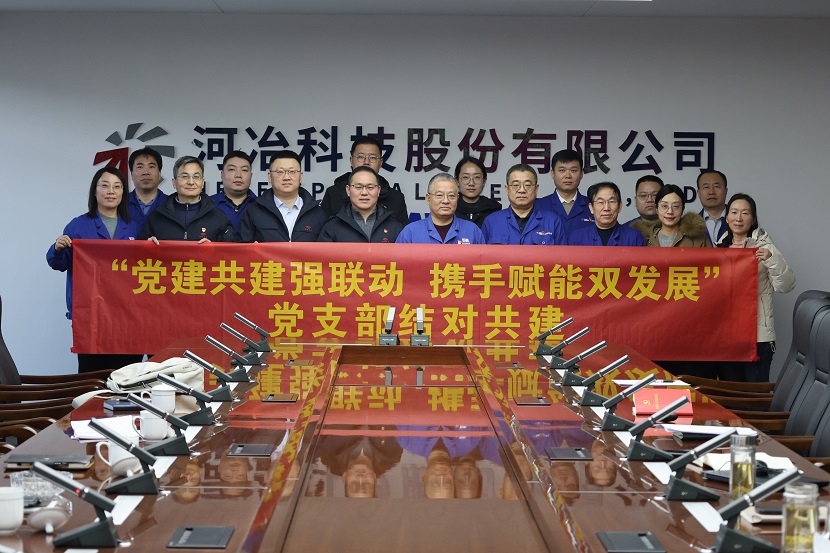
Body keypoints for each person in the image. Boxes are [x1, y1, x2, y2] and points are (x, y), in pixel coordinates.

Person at [46, 166, 143, 373]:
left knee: (127, 376)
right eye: (105, 186)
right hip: (91, 316)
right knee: (92, 377)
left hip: (127, 315)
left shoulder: (135, 227)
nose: (111, 191)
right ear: (95, 191)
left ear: (123, 193)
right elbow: (58, 263)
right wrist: (57, 248)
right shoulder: (78, 225)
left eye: (117, 186)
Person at [717, 193, 795, 382]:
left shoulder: (765, 247)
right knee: (729, 392)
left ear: (752, 219)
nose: (738, 218)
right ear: (726, 218)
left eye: (745, 213)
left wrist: (770, 259)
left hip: (757, 336)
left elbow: (786, 285)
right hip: (727, 335)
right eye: (734, 212)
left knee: (755, 393)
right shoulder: (719, 249)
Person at [235, 150, 327, 242]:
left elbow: (326, 249)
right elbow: (241, 248)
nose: (286, 177)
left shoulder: (318, 214)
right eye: (280, 172)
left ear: (300, 176)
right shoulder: (254, 211)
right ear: (270, 177)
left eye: (292, 172)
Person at [139, 156, 233, 243]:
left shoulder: (218, 217)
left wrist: (214, 249)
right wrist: (147, 246)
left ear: (202, 183)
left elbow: (230, 252)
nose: (191, 182)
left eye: (196, 177)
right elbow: (139, 251)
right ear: (174, 183)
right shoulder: (157, 217)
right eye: (184, 176)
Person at [321, 137, 409, 227]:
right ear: (351, 160)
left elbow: (402, 233)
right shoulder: (333, 193)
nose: (366, 162)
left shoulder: (396, 198)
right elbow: (323, 229)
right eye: (361, 157)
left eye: (373, 158)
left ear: (381, 162)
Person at [481, 163, 565, 245]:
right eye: (516, 185)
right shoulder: (492, 221)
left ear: (536, 189)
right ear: (507, 189)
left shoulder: (552, 221)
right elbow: (482, 253)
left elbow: (562, 254)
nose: (522, 190)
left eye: (527, 185)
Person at [318, 167, 404, 243]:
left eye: (370, 187)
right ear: (348, 190)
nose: (364, 192)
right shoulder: (332, 227)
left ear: (378, 190)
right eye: (358, 187)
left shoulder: (394, 227)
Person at [396, 173, 484, 244]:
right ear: (428, 199)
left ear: (457, 198)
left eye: (451, 196)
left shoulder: (472, 231)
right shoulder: (410, 232)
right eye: (439, 195)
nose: (445, 201)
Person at [567, 182, 646, 246]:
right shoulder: (577, 238)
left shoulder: (634, 237)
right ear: (591, 208)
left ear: (620, 206)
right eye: (600, 202)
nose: (606, 208)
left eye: (611, 201)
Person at [538, 149, 594, 235]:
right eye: (562, 170)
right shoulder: (538, 206)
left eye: (573, 170)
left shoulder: (593, 206)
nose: (568, 176)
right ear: (552, 173)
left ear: (581, 174)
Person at [645, 184, 711, 247]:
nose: (670, 212)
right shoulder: (647, 237)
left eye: (675, 206)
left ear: (682, 209)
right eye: (664, 206)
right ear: (657, 209)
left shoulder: (697, 238)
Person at [210, 150, 256, 231]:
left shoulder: (262, 206)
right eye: (232, 169)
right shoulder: (208, 205)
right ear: (222, 175)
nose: (238, 175)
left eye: (244, 170)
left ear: (251, 176)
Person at [453, 156, 501, 227]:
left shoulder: (494, 210)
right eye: (466, 177)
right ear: (457, 181)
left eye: (477, 177)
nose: (471, 183)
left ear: (484, 181)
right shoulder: (450, 208)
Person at [128, 147, 167, 229]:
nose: (146, 172)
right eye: (140, 167)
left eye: (151, 166)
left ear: (159, 174)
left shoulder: (171, 204)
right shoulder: (120, 203)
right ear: (132, 174)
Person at [626, 175, 663, 239]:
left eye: (655, 195)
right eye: (643, 195)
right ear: (635, 201)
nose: (649, 200)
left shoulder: (678, 228)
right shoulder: (624, 230)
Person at [697, 169, 729, 245]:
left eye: (716, 186)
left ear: (726, 191)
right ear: (698, 193)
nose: (711, 192)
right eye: (706, 187)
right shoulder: (690, 225)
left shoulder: (738, 220)